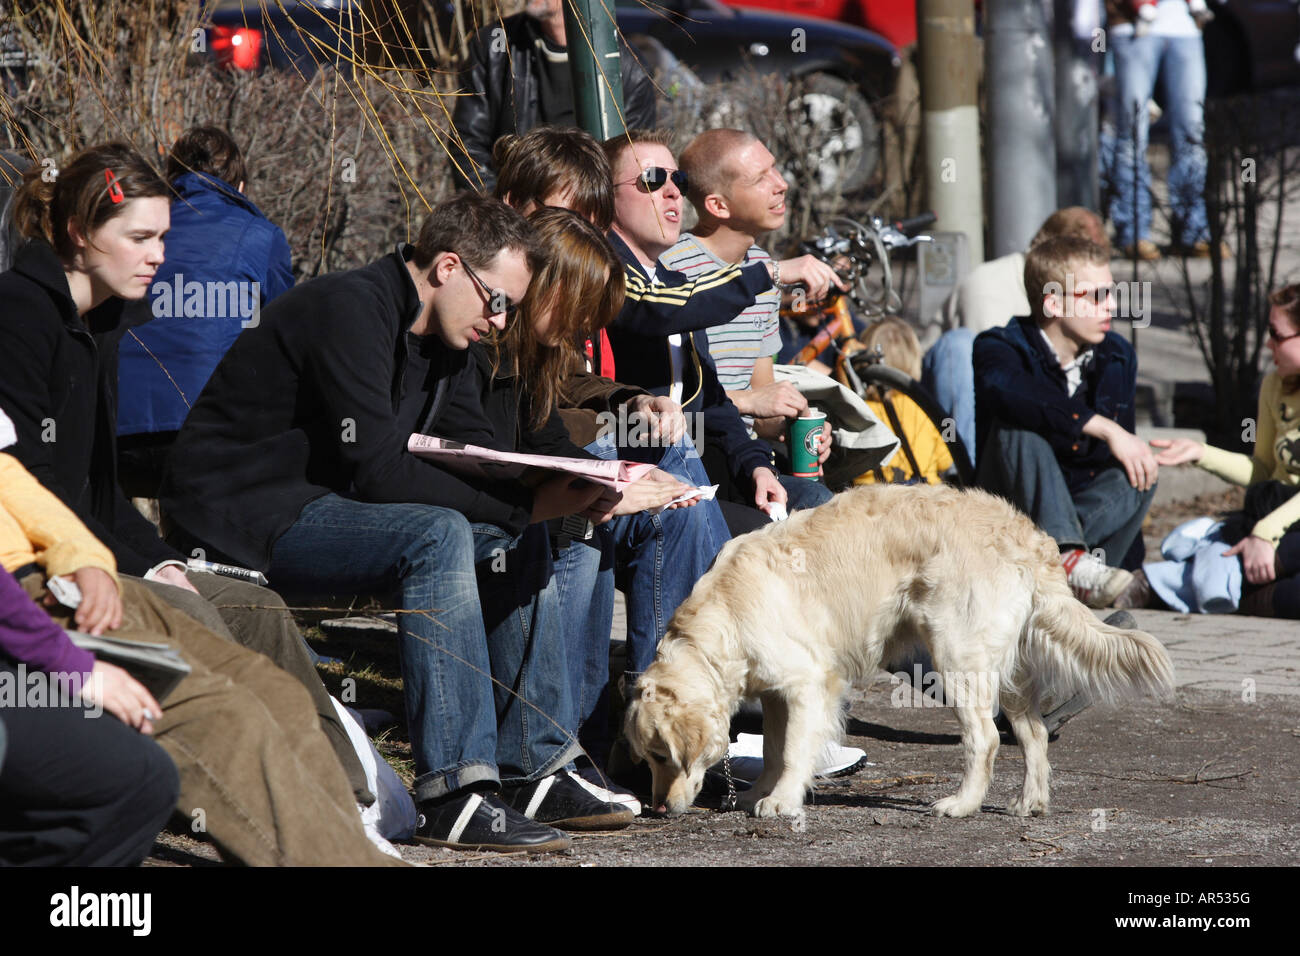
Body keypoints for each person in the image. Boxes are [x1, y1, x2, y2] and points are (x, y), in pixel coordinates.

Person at [161, 192, 633, 853]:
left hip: (320, 506)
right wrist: (522, 504)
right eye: (497, 299)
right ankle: (454, 792)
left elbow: (477, 439)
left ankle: (530, 765)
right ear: (447, 268)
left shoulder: (442, 339)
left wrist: (582, 481)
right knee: (439, 535)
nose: (502, 321)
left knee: (509, 538)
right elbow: (378, 469)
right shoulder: (348, 308)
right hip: (245, 513)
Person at [0, 141, 372, 806]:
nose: (158, 256)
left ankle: (350, 798)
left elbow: (103, 492)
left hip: (99, 549)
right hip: (44, 566)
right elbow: (35, 490)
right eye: (140, 237)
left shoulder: (105, 322)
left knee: (260, 608)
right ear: (81, 234)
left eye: (163, 236)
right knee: (200, 622)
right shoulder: (20, 317)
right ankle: (273, 800)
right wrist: (145, 572)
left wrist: (163, 560)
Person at [0, 427, 400, 866]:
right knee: (222, 712)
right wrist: (69, 662)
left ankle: (348, 838)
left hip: (64, 576)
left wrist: (85, 557)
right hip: (28, 607)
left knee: (276, 689)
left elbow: (16, 481)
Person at [603, 130, 829, 529]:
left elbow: (716, 404)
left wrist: (761, 463)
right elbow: (659, 310)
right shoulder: (611, 275)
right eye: (653, 179)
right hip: (636, 466)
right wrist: (772, 273)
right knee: (770, 540)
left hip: (702, 458)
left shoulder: (674, 280)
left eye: (679, 181)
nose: (673, 191)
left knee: (821, 509)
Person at [973, 235, 1155, 609]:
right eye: (1096, 295)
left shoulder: (1116, 355)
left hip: (1081, 518)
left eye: (1112, 292)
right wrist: (1101, 426)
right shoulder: (998, 347)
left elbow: (1112, 459)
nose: (1112, 305)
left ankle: (1068, 566)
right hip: (1007, 520)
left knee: (1141, 464)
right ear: (1054, 302)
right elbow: (1014, 394)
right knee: (1020, 426)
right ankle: (1067, 563)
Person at [662, 128, 839, 509]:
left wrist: (799, 427)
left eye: (775, 170)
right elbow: (667, 400)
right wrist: (749, 401)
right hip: (687, 465)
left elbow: (762, 410)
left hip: (746, 463)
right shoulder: (672, 268)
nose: (782, 185)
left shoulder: (764, 269)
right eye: (761, 178)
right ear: (719, 206)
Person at [117, 125, 293, 498]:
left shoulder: (138, 232)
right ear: (239, 186)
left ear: (171, 178)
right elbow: (285, 333)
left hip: (120, 432)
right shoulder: (261, 235)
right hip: (209, 435)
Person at [1150, 284, 1300, 617]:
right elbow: (1262, 469)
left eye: (1277, 334)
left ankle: (1197, 580)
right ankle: (1210, 572)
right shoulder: (1274, 385)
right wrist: (1200, 453)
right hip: (1280, 514)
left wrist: (1264, 535)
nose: (1268, 343)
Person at [923, 206, 1111, 460]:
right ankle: (963, 472)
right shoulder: (988, 286)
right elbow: (990, 380)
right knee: (961, 346)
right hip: (944, 412)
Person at [448, 0, 656, 192]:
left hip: (586, 217)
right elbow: (467, 143)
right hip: (511, 215)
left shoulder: (628, 69)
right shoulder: (496, 44)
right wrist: (501, 211)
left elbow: (632, 169)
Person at [1103, 0, 1221, 260]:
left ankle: (1194, 231)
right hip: (1131, 26)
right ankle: (1134, 232)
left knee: (1192, 131)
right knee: (1132, 133)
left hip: (1185, 27)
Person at [853, 317, 953, 486]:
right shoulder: (924, 407)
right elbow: (945, 461)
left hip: (873, 499)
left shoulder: (858, 410)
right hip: (927, 495)